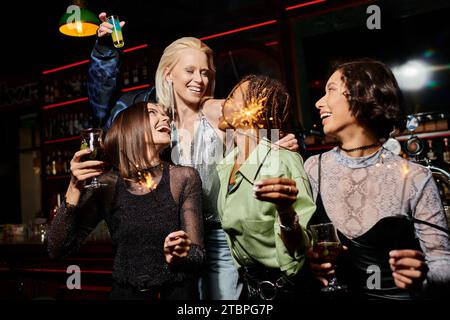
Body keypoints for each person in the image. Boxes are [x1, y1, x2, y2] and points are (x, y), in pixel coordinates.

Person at [88, 12, 299, 300]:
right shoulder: (153, 116)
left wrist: (280, 142)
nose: (199, 79)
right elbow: (103, 110)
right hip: (167, 236)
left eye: (205, 72)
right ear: (168, 74)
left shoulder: (219, 110)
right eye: (190, 71)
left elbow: (268, 121)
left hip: (217, 237)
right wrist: (105, 52)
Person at [304, 58, 450, 299]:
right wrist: (308, 260)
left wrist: (423, 274)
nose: (319, 103)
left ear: (362, 93)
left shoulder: (414, 177)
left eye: (330, 90)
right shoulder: (313, 168)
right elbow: (296, 244)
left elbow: (442, 261)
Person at [47, 102, 204, 300]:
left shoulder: (184, 178)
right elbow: (57, 249)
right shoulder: (108, 185)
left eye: (166, 114)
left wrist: (182, 252)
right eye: (152, 112)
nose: (166, 118)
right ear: (129, 127)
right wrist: (74, 186)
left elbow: (198, 256)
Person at [216, 74, 316, 300]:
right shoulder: (225, 166)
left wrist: (285, 212)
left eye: (232, 97)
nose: (224, 103)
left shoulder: (283, 160)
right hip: (249, 290)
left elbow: (302, 249)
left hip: (285, 290)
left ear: (254, 109)